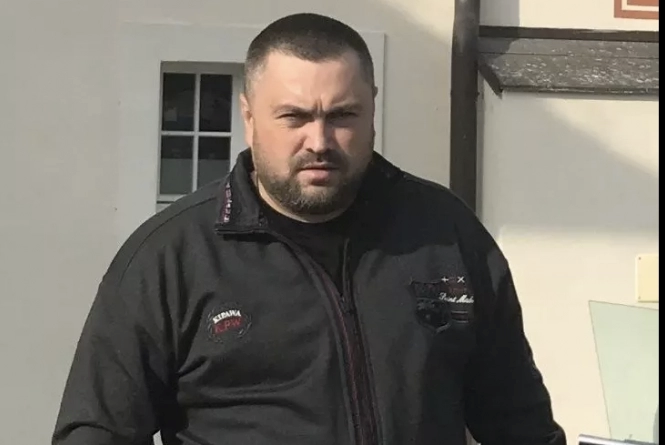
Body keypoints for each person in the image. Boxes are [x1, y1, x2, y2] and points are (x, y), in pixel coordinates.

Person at [52, 12, 567, 445]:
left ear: (372, 111)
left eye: (342, 115)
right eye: (294, 117)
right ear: (249, 117)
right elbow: (95, 432)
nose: (319, 141)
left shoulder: (445, 234)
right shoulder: (170, 257)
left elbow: (520, 425)